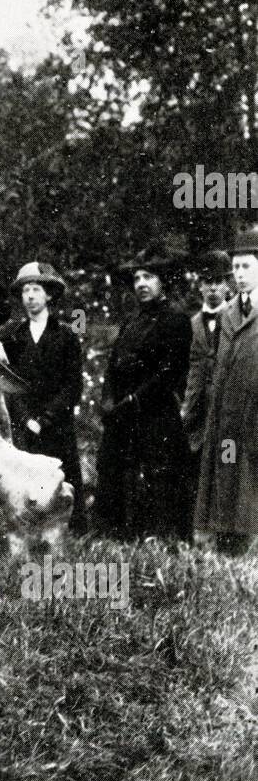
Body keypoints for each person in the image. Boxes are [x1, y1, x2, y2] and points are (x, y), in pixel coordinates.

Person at [93, 248, 192, 542]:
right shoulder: (131, 322)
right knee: (117, 472)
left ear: (163, 282)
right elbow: (113, 366)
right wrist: (108, 401)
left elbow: (169, 372)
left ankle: (161, 539)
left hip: (155, 413)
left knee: (158, 477)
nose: (141, 283)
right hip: (123, 415)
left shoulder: (176, 321)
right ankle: (119, 535)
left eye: (149, 276)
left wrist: (135, 401)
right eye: (137, 278)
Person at [0, 262, 86, 532]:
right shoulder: (14, 337)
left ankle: (72, 532)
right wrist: (25, 418)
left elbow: (72, 386)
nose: (30, 296)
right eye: (25, 290)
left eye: (36, 289)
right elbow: (8, 381)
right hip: (24, 424)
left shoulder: (67, 336)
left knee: (64, 479)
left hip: (56, 423)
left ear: (49, 295)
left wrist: (46, 418)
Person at [195, 228, 258, 554]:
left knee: (251, 484)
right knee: (227, 479)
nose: (240, 274)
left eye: (247, 266)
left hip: (254, 416)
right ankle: (229, 546)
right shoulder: (228, 314)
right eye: (237, 268)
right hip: (226, 418)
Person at [181, 250, 232, 500]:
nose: (212, 288)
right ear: (199, 286)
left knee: (228, 469)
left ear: (227, 285)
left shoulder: (240, 320)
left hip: (230, 413)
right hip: (198, 415)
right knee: (198, 474)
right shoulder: (189, 325)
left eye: (218, 282)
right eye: (207, 282)